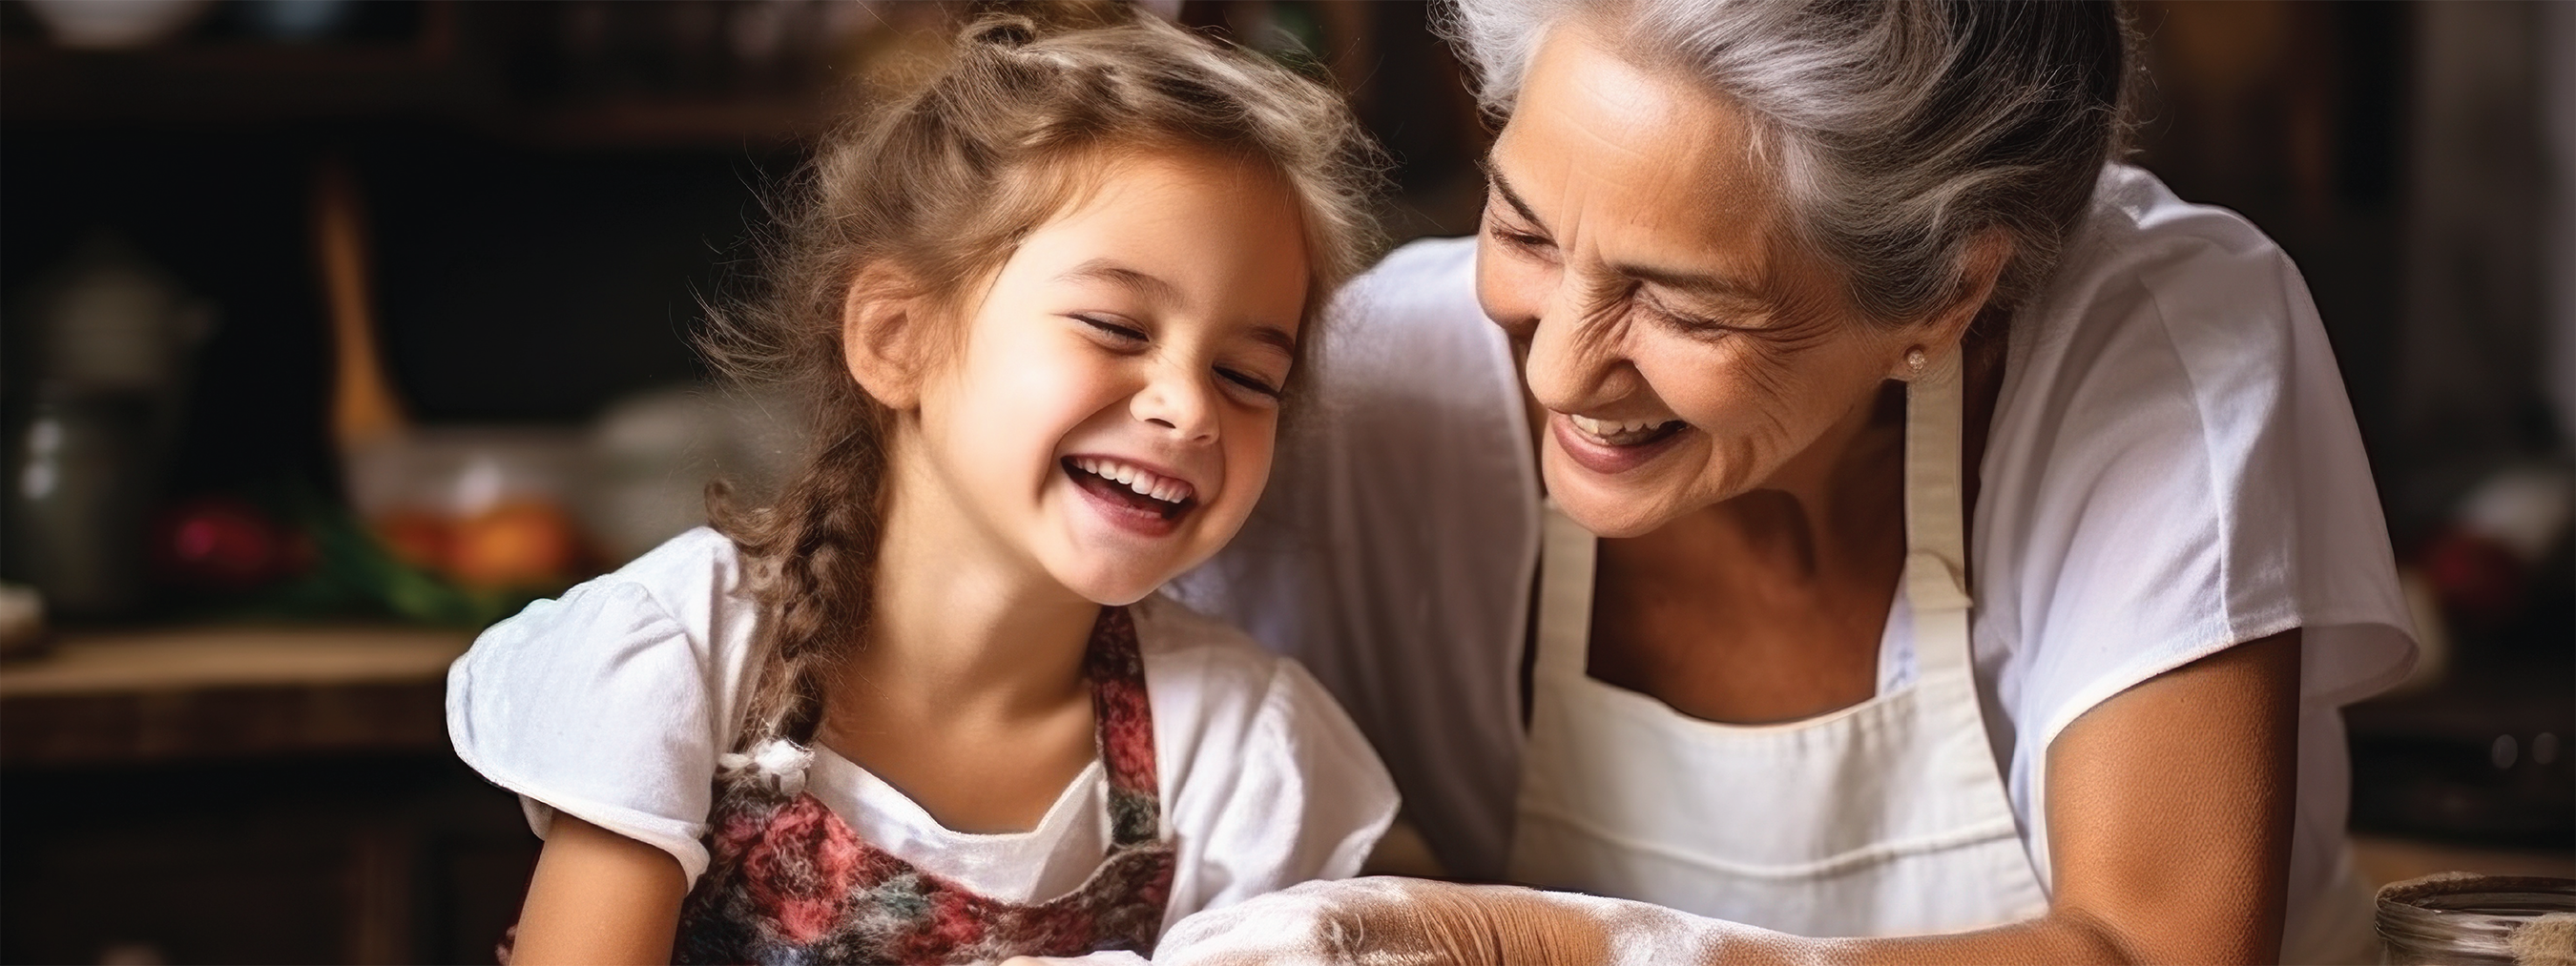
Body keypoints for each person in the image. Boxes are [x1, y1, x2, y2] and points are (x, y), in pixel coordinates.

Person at [1151, 0, 2418, 963]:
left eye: (1682, 303)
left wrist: (1538, 945)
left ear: (1944, 294)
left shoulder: (2151, 344)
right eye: (1524, 229)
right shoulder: (1391, 388)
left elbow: (2152, 952)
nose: (1561, 368)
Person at [443, 10, 1396, 964]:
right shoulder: (685, 657)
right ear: (898, 339)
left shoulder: (1233, 749)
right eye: (1115, 325)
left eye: (1247, 377)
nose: (1190, 407)